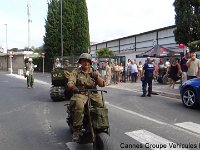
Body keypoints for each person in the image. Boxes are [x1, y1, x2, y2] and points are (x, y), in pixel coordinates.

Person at [67, 53, 105, 141]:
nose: (86, 63)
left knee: (102, 105)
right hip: (80, 93)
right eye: (84, 61)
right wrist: (73, 87)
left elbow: (102, 84)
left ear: (90, 62)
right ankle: (77, 128)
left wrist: (96, 78)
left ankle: (101, 124)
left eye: (88, 61)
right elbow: (70, 82)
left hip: (92, 93)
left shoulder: (94, 71)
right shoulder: (76, 71)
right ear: (81, 62)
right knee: (79, 105)